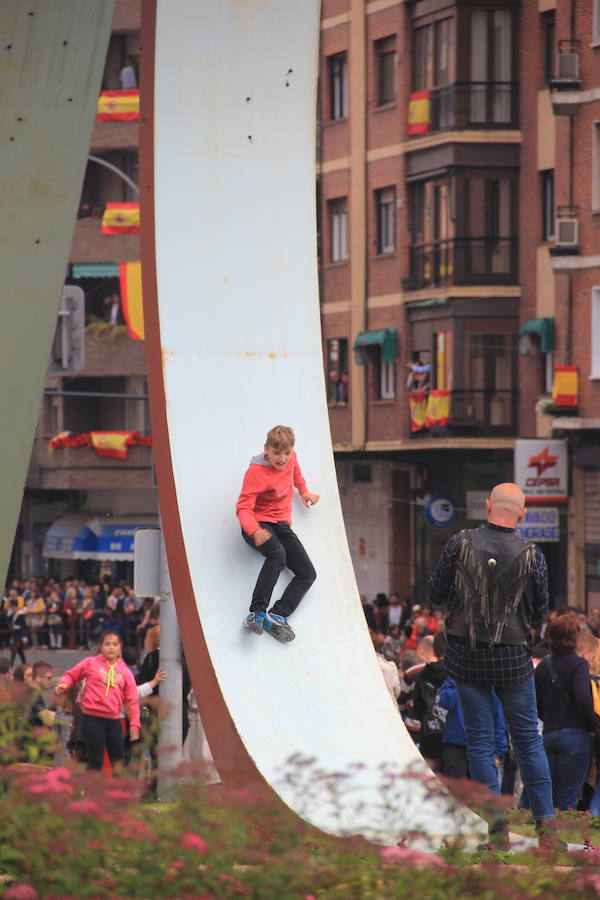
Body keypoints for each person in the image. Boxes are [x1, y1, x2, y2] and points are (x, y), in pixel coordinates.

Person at [427, 482, 555, 849]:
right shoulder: (533, 555)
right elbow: (539, 610)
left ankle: (497, 830)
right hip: (514, 655)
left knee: (480, 744)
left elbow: (435, 594)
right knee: (529, 740)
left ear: (487, 506)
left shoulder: (459, 542)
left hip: (466, 655)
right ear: (523, 513)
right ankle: (547, 831)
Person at [236, 425, 319, 643]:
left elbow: (296, 473)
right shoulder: (255, 472)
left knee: (308, 573)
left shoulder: (291, 459)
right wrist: (254, 530)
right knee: (278, 555)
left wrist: (304, 491)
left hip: (282, 524)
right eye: (276, 453)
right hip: (258, 524)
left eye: (286, 453)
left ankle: (278, 614)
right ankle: (256, 613)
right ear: (266, 449)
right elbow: (243, 507)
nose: (282, 459)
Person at [55, 631, 140, 772]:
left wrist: (134, 724)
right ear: (101, 646)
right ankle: (92, 793)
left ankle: (119, 793)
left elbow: (132, 700)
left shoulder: (125, 671)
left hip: (114, 720)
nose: (111, 648)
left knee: (118, 761)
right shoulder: (90, 663)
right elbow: (71, 675)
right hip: (92, 719)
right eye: (107, 644)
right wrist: (64, 684)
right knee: (95, 761)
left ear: (120, 648)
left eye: (115, 644)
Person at [535, 615, 596, 811]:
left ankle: (549, 837)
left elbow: (537, 702)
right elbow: (583, 699)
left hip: (550, 732)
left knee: (552, 794)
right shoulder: (579, 665)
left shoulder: (544, 665)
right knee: (569, 796)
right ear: (574, 637)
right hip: (575, 734)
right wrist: (592, 726)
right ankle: (565, 837)